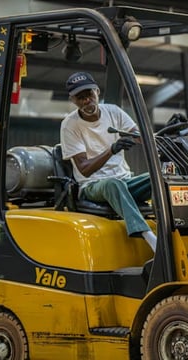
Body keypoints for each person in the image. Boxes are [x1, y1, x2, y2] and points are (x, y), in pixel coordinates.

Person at [59, 71, 157, 252]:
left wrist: (163, 136)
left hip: (124, 180)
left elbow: (140, 136)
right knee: (113, 184)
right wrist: (112, 149)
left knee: (158, 178)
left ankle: (169, 227)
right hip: (93, 186)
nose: (87, 101)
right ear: (73, 100)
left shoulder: (113, 112)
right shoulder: (70, 125)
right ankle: (148, 236)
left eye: (89, 94)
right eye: (80, 98)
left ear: (97, 91)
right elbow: (84, 169)